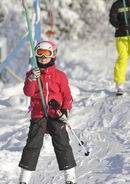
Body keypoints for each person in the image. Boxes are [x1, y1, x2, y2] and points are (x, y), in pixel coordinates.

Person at [18, 41, 77, 184]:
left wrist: (65, 111)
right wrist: (32, 78)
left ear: (53, 56)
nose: (43, 57)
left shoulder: (60, 76)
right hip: (38, 113)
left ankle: (70, 176)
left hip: (55, 113)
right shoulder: (32, 74)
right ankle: (24, 178)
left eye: (47, 54)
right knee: (33, 143)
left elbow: (67, 96)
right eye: (40, 54)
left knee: (62, 143)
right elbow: (28, 92)